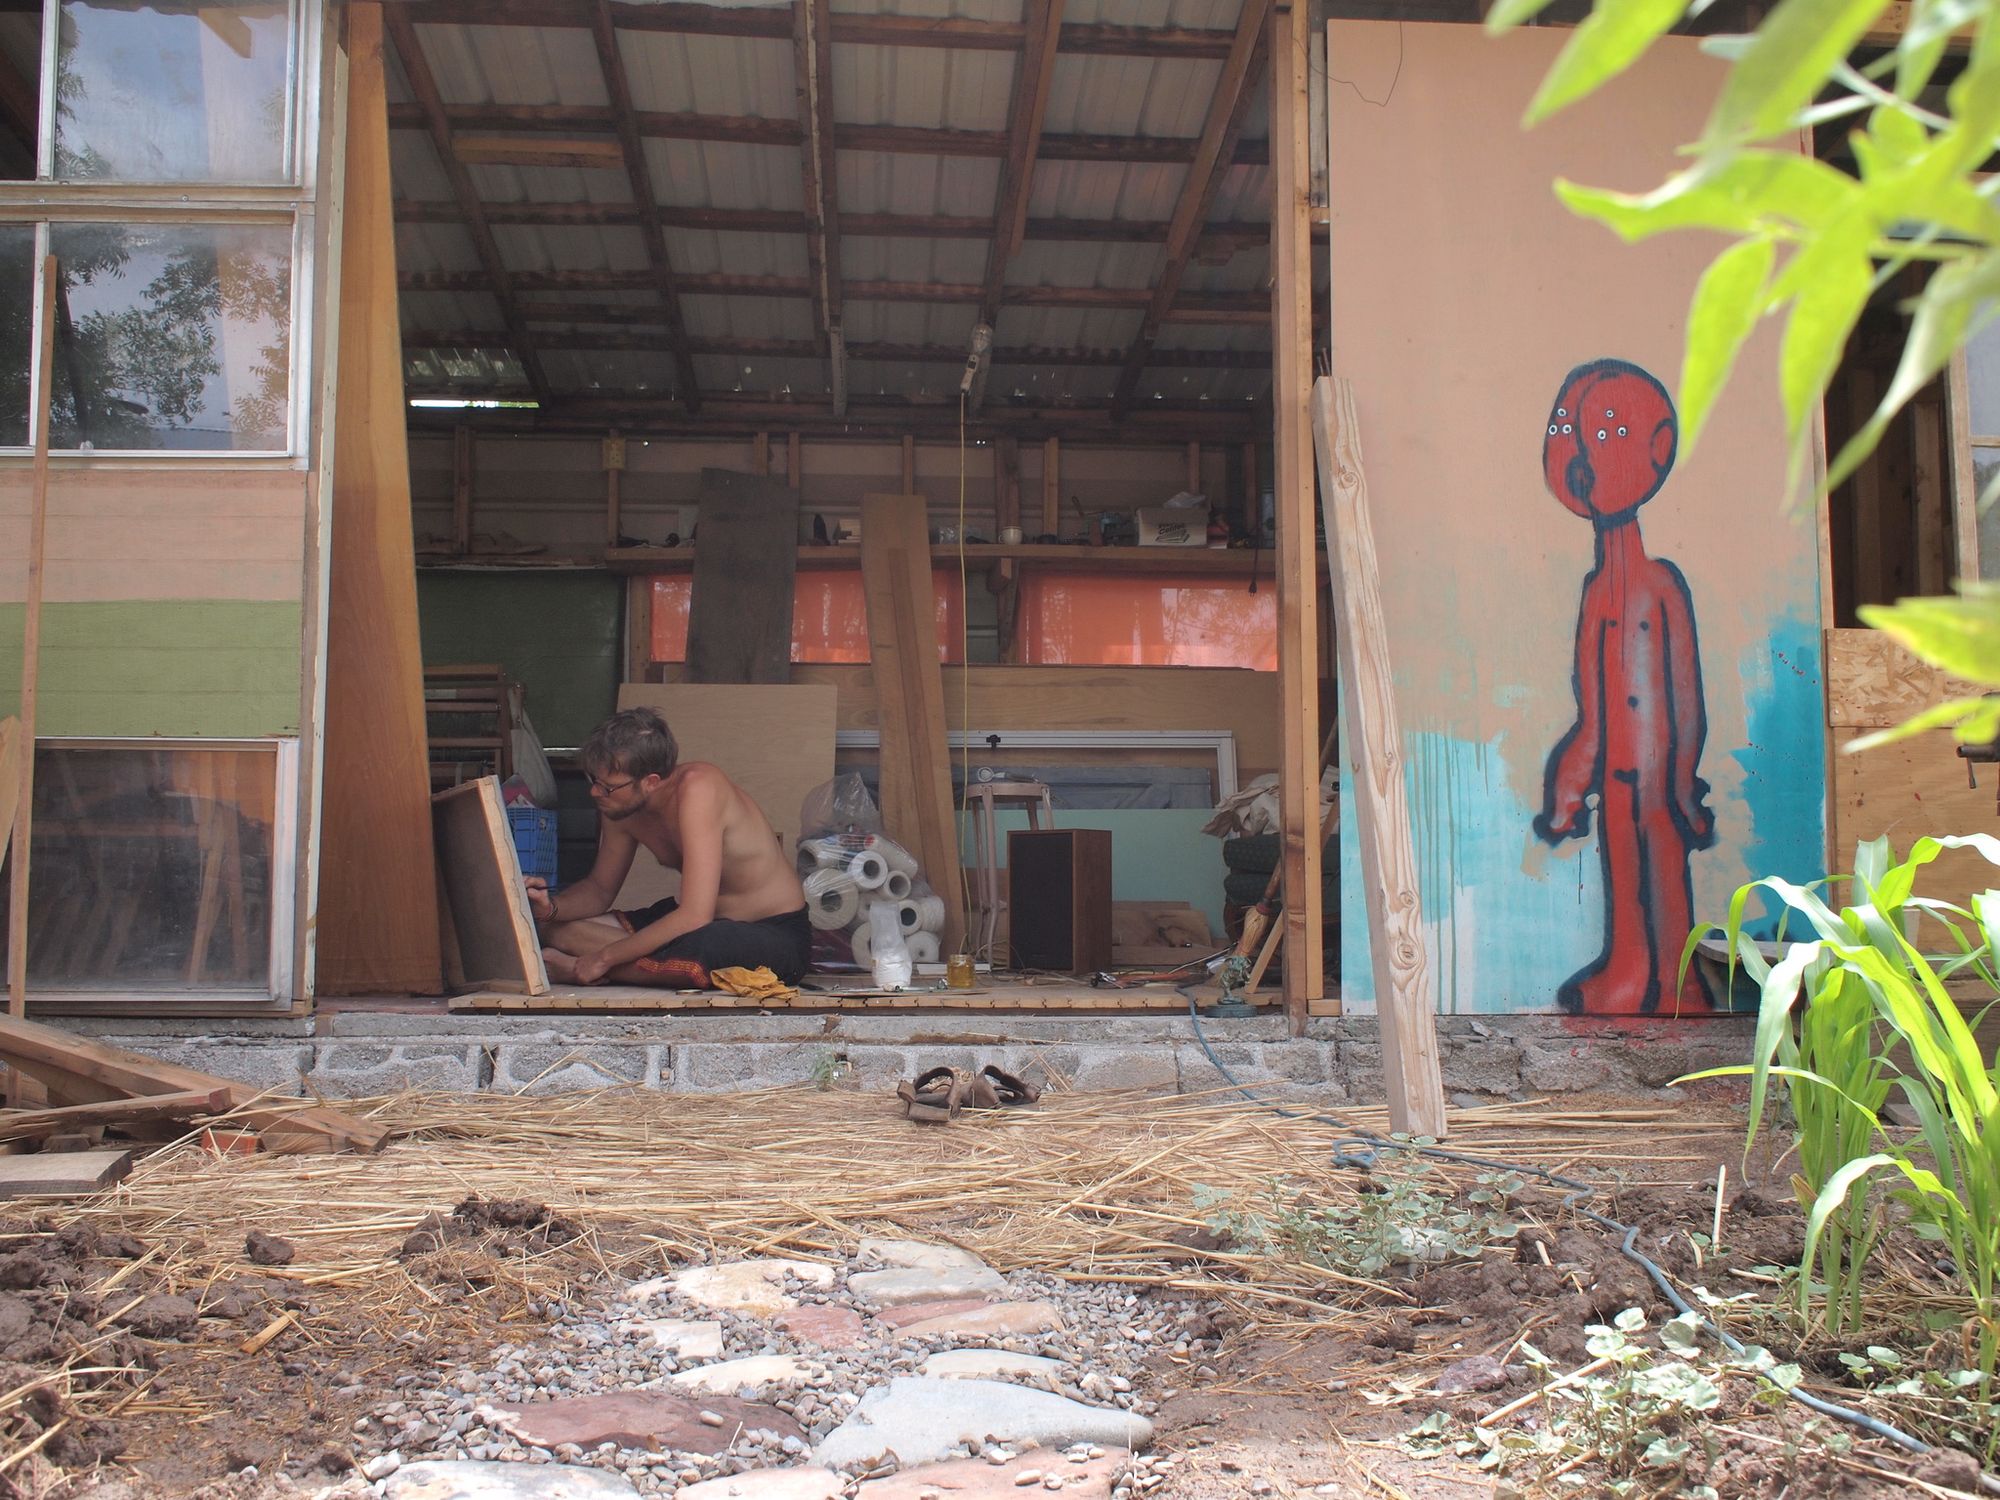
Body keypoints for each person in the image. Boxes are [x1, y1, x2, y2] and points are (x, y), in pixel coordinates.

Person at [529, 707, 811, 988]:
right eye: (593, 781)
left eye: (608, 787)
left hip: (771, 931)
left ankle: (584, 968)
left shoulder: (699, 788)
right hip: (694, 924)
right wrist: (550, 908)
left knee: (709, 947)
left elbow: (694, 915)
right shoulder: (619, 804)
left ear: (651, 782)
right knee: (556, 929)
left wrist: (603, 958)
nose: (595, 793)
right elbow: (599, 890)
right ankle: (616, 965)